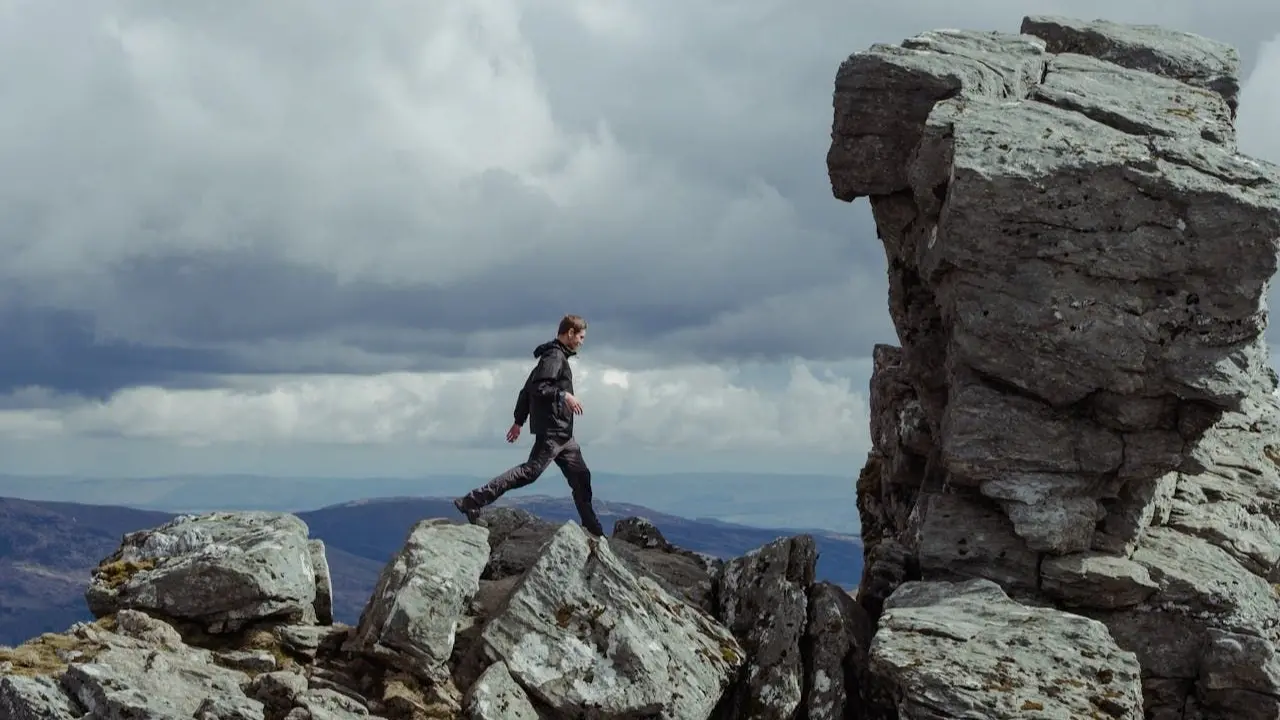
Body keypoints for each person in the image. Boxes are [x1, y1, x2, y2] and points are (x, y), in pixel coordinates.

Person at [453, 314, 606, 537]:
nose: (582, 341)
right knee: (529, 472)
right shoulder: (554, 357)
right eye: (581, 337)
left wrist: (518, 421)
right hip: (553, 433)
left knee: (582, 478)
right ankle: (472, 501)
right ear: (570, 333)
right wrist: (565, 395)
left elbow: (526, 391)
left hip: (564, 435)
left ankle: (593, 529)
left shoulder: (555, 356)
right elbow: (539, 388)